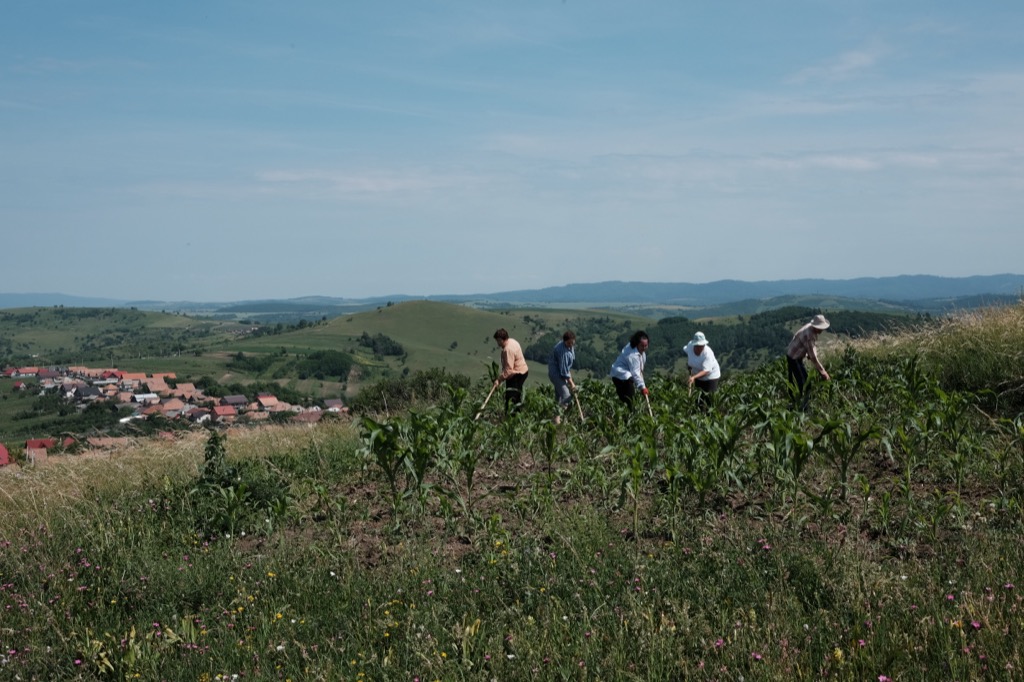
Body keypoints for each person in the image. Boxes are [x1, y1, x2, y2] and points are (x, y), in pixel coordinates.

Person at [786, 314, 831, 410]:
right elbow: (813, 357)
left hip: (792, 354)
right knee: (805, 383)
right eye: (821, 328)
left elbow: (799, 338)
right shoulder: (810, 335)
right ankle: (803, 407)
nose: (822, 330)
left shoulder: (809, 327)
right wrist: (823, 372)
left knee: (798, 380)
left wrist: (807, 353)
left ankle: (796, 403)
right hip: (794, 358)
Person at [493, 328, 529, 414]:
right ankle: (516, 414)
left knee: (511, 397)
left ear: (501, 339)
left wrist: (499, 379)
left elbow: (509, 370)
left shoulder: (508, 350)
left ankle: (511, 416)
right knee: (516, 396)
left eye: (498, 340)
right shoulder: (512, 341)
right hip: (522, 371)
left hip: (517, 374)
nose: (497, 343)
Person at [609, 330, 649, 406]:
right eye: (642, 345)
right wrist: (643, 387)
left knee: (625, 399)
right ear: (637, 344)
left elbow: (640, 370)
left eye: (646, 345)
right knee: (630, 400)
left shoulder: (639, 351)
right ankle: (630, 414)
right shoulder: (633, 355)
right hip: (621, 376)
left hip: (622, 375)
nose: (644, 348)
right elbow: (636, 373)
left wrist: (642, 385)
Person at [684, 331, 721, 410]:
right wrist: (690, 366)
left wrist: (693, 377)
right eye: (698, 345)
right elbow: (688, 353)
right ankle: (699, 414)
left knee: (709, 399)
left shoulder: (707, 353)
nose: (700, 347)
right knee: (698, 398)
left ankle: (709, 417)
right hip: (698, 375)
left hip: (711, 377)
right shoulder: (690, 346)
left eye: (702, 345)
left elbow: (706, 371)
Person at [547, 330, 577, 423]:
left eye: (572, 342)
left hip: (561, 373)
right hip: (556, 374)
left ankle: (555, 421)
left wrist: (569, 378)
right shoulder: (561, 351)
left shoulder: (569, 347)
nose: (571, 345)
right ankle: (557, 418)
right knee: (566, 395)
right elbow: (563, 370)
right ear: (564, 341)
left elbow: (566, 368)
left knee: (559, 397)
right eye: (569, 343)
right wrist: (571, 383)